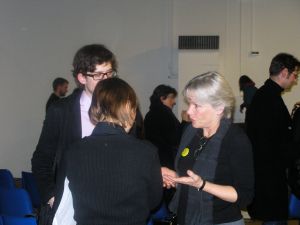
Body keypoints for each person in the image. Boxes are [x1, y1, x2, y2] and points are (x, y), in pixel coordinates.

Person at [31, 44, 118, 225]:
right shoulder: (61, 111)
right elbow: (41, 159)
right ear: (81, 77)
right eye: (98, 75)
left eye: (110, 73)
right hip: (69, 205)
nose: (107, 80)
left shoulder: (121, 110)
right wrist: (52, 196)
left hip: (109, 204)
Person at [64, 77, 162, 225]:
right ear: (130, 110)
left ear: (95, 108)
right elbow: (153, 202)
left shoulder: (73, 150)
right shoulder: (146, 151)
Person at [162, 71, 254, 225]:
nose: (189, 111)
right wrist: (175, 177)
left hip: (220, 220)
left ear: (219, 108)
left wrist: (202, 185)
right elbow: (191, 179)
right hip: (186, 217)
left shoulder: (235, 139)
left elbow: (244, 196)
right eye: (189, 103)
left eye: (196, 105)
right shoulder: (191, 132)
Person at [246, 53, 300, 225]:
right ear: (284, 72)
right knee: (274, 220)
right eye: (294, 75)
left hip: (268, 176)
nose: (295, 80)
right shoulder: (269, 100)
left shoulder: (266, 96)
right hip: (270, 179)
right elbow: (275, 142)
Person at [144, 84, 183, 206]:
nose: (174, 101)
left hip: (155, 159)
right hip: (167, 160)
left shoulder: (149, 114)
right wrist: (186, 122)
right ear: (162, 98)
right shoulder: (165, 114)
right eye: (171, 98)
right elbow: (175, 138)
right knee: (170, 192)